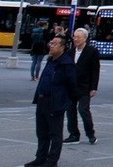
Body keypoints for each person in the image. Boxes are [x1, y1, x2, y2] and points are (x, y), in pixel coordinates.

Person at [26, 33, 77, 167]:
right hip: (42, 100)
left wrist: (66, 101)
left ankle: (52, 160)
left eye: (54, 44)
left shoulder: (66, 64)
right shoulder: (50, 60)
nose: (51, 46)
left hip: (55, 102)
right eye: (51, 43)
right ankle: (40, 157)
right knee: (41, 132)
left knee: (55, 133)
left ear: (62, 47)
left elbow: (73, 85)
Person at [64, 27, 100, 145]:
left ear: (85, 38)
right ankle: (74, 134)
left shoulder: (92, 51)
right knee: (70, 111)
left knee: (83, 110)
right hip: (71, 87)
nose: (75, 39)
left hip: (85, 87)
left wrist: (93, 87)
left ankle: (91, 134)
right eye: (74, 36)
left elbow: (95, 70)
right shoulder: (70, 52)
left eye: (78, 37)